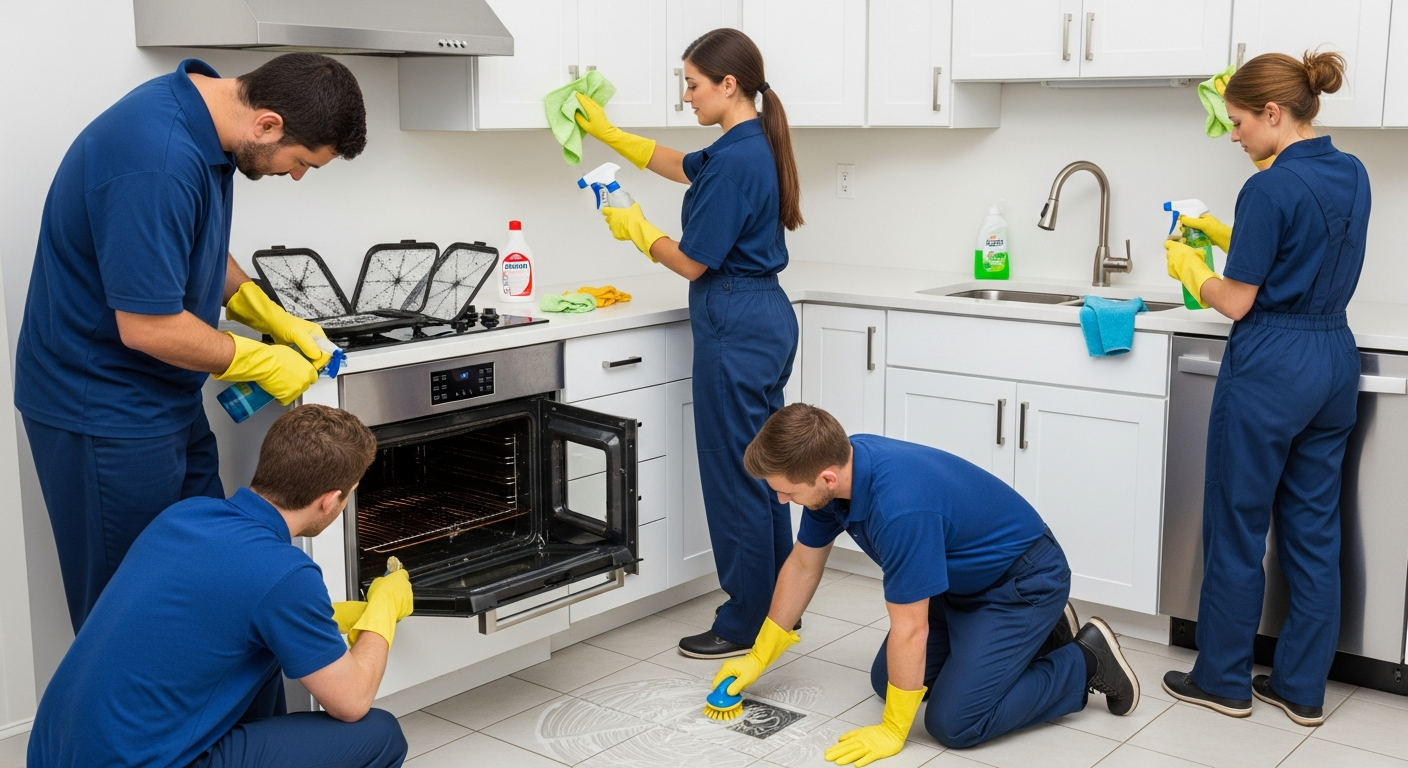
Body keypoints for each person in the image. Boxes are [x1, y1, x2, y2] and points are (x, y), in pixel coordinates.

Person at [16, 53, 367, 632]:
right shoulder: (155, 159)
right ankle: (126, 726)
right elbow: (147, 325)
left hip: (166, 399)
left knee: (203, 578)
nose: (298, 176)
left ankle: (206, 726)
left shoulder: (210, 127)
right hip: (102, 412)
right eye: (301, 162)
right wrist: (257, 358)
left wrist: (267, 311)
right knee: (127, 608)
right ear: (268, 124)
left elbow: (189, 245)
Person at [714, 404, 1139, 762]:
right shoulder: (837, 472)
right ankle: (1042, 635)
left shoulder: (899, 510)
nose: (781, 501)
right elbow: (804, 565)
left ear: (825, 477)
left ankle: (1086, 659)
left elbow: (911, 628)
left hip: (1021, 583)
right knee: (888, 683)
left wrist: (893, 731)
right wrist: (759, 655)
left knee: (954, 723)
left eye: (787, 492)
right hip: (958, 583)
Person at [575, 28, 802, 658]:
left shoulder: (736, 159)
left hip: (734, 319)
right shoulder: (749, 141)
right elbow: (682, 164)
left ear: (728, 84)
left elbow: (694, 264)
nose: (686, 97)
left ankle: (745, 621)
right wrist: (611, 134)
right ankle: (779, 608)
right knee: (768, 472)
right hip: (764, 318)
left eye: (693, 84)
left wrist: (633, 226)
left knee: (737, 475)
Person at [1162, 50, 1368, 728]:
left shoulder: (1270, 186)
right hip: (1333, 356)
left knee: (1238, 524)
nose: (1235, 136)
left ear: (1275, 113)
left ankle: (1222, 678)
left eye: (1242, 122)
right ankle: (1301, 687)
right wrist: (1229, 235)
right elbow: (1306, 251)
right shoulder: (1353, 172)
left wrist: (1193, 269)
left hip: (1273, 362)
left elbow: (1240, 301)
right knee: (1314, 528)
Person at [27, 405, 411, 768]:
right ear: (329, 501)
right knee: (379, 735)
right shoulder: (286, 572)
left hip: (55, 752)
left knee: (263, 659)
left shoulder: (185, 515)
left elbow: (225, 611)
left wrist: (325, 618)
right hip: (143, 762)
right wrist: (382, 613)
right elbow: (353, 701)